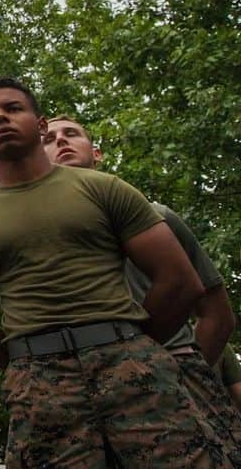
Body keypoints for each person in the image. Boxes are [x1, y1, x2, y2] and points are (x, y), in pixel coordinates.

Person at [0, 77, 239, 469]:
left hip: (132, 369)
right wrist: (30, 365)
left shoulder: (105, 190)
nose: (1, 117)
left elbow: (179, 280)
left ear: (39, 125)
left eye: (13, 108)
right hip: (41, 387)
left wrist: (134, 347)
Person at [43, 116, 241, 449]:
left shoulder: (157, 218)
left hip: (178, 400)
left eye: (71, 134)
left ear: (97, 153)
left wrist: (179, 376)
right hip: (91, 402)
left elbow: (218, 317)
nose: (60, 141)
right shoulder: (31, 239)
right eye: (48, 138)